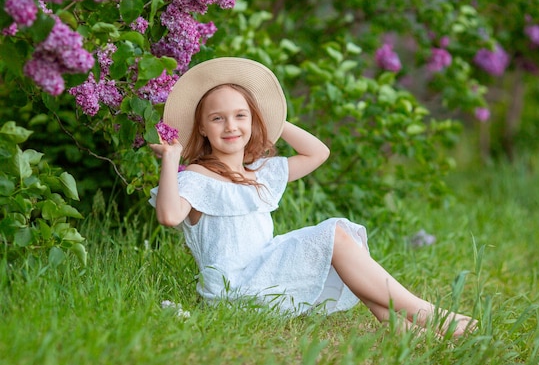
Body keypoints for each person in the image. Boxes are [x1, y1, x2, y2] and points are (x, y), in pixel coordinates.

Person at [149, 57, 475, 337]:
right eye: (217, 118)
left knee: (339, 240)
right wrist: (171, 159)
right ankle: (428, 314)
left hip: (265, 266)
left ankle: (405, 329)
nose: (231, 126)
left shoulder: (258, 172)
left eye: (241, 115)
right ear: (203, 128)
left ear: (252, 119)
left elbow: (318, 152)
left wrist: (273, 118)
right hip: (236, 287)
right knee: (333, 236)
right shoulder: (197, 177)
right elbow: (168, 216)